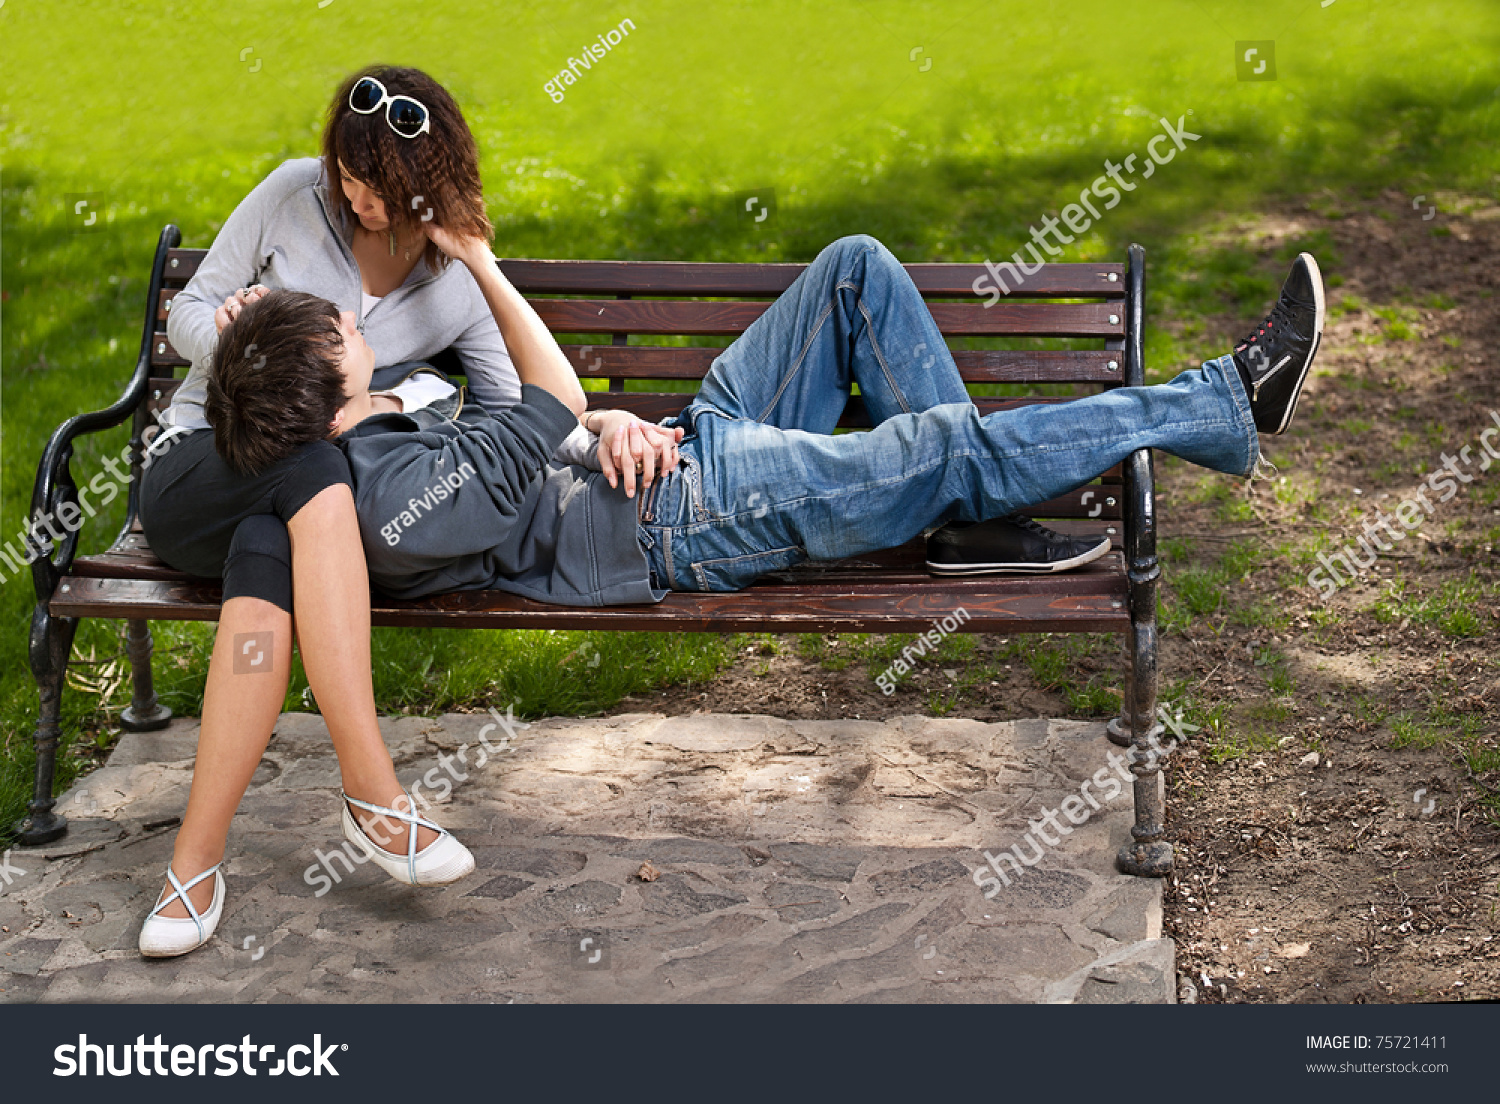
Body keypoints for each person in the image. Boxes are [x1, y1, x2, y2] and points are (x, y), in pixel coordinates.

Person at [136, 65, 681, 958]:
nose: (355, 198)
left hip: (291, 512)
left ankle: (194, 862)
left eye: (376, 187)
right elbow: (185, 315)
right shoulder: (287, 196)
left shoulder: (453, 281)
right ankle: (376, 796)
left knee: (277, 527)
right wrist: (234, 331)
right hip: (204, 462)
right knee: (314, 468)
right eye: (345, 178)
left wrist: (602, 425)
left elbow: (518, 412)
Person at [207, 233, 1323, 625]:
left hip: (688, 442)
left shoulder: (392, 418)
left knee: (853, 272)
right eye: (336, 327)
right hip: (686, 518)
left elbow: (545, 428)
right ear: (324, 379)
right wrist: (486, 263)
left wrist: (607, 426)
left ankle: (964, 509)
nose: (354, 317)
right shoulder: (383, 506)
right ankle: (1229, 400)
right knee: (941, 451)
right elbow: (532, 414)